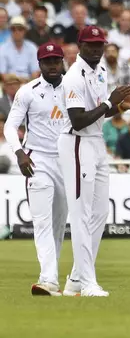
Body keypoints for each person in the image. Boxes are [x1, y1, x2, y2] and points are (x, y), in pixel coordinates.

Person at [57, 26, 130, 297]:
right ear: (80, 46)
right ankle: (89, 284)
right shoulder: (73, 77)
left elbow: (97, 114)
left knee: (100, 213)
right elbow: (78, 120)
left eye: (99, 44)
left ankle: (76, 280)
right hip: (77, 143)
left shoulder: (100, 71)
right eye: (90, 44)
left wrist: (120, 107)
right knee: (81, 215)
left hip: (95, 142)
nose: (95, 49)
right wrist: (109, 103)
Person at [3, 42, 69, 296]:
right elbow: (10, 127)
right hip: (37, 160)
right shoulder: (27, 91)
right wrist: (19, 152)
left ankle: (53, 276)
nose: (52, 65)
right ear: (39, 64)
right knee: (42, 222)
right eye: (47, 61)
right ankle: (48, 279)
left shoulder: (74, 89)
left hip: (66, 160)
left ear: (62, 62)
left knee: (59, 223)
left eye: (56, 61)